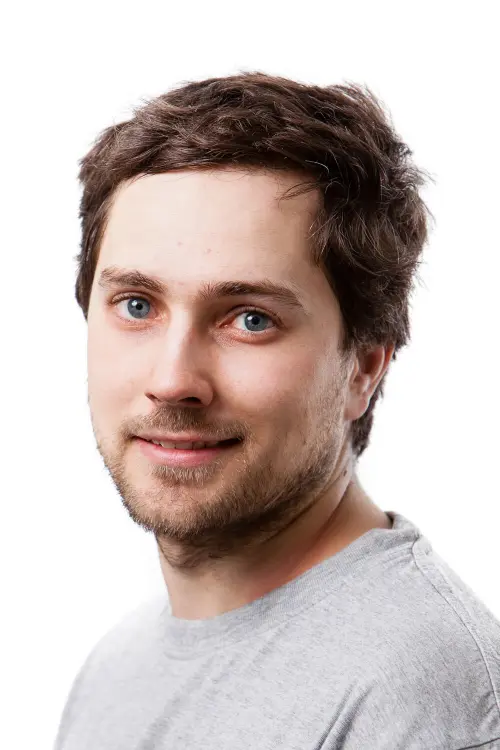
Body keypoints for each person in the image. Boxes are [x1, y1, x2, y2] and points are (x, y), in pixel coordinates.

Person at [54, 71, 500, 749]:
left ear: (364, 367)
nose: (173, 381)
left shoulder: (421, 702)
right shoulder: (114, 672)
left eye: (250, 319)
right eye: (137, 305)